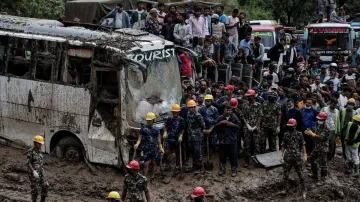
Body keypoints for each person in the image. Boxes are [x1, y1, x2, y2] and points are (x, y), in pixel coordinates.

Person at [280, 119, 307, 197]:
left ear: (295, 125)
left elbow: (303, 144)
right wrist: (281, 155)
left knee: (301, 174)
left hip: (297, 158)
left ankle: (304, 190)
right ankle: (285, 189)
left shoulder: (299, 134)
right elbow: (283, 145)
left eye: (292, 126)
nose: (290, 127)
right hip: (287, 157)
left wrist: (305, 154)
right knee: (285, 175)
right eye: (289, 126)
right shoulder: (286, 135)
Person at [134, 112, 164, 178]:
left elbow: (159, 139)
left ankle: (153, 176)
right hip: (146, 148)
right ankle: (145, 178)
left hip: (154, 148)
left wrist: (161, 147)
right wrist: (137, 143)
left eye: (150, 121)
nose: (148, 122)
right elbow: (140, 136)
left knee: (154, 163)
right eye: (147, 120)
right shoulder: (144, 128)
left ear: (153, 120)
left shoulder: (156, 129)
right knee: (146, 164)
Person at [215, 104, 241, 176]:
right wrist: (220, 123)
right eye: (227, 110)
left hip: (232, 140)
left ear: (232, 111)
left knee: (233, 156)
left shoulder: (234, 117)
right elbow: (215, 127)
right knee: (222, 156)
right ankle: (222, 170)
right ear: (224, 110)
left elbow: (239, 126)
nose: (228, 111)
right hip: (222, 140)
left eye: (230, 110)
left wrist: (232, 125)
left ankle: (234, 170)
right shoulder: (220, 118)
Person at [305, 112, 330, 185]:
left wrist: (312, 134)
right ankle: (314, 174)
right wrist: (310, 131)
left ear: (324, 120)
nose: (319, 120)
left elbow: (321, 138)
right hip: (317, 146)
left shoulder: (326, 127)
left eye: (320, 119)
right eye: (318, 119)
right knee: (312, 158)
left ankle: (322, 179)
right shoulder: (319, 125)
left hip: (323, 148)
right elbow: (316, 131)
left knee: (322, 163)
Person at [242, 89, 263, 167]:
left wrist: (256, 126)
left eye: (249, 96)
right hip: (247, 127)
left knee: (256, 145)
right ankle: (246, 161)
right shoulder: (245, 105)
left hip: (256, 128)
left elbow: (260, 116)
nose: (248, 97)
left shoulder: (258, 105)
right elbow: (242, 116)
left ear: (253, 96)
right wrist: (247, 125)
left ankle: (257, 161)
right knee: (246, 145)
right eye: (247, 96)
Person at [163, 104, 185, 172]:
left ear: (179, 112)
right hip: (169, 138)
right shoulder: (169, 119)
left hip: (177, 139)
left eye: (177, 112)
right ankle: (168, 165)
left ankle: (177, 165)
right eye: (174, 112)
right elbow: (165, 126)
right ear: (172, 112)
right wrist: (165, 132)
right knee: (166, 152)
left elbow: (182, 129)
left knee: (177, 153)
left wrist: (181, 135)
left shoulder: (181, 119)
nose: (175, 113)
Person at [27, 135, 48, 202]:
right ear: (35, 143)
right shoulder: (31, 151)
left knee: (45, 185)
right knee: (35, 188)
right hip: (34, 172)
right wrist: (33, 171)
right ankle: (34, 200)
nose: (40, 145)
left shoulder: (40, 151)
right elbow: (28, 163)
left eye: (41, 144)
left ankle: (42, 200)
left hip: (41, 171)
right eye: (39, 143)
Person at [186, 100, 206, 173]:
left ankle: (199, 167)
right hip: (190, 136)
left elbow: (203, 125)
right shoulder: (188, 114)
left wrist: (200, 132)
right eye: (189, 108)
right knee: (192, 153)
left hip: (197, 137)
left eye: (191, 107)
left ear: (194, 107)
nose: (190, 109)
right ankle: (194, 166)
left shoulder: (198, 115)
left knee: (198, 152)